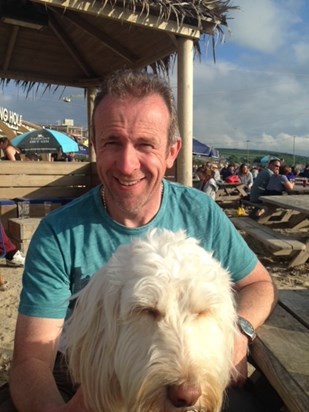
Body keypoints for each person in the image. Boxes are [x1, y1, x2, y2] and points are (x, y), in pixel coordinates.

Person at [2, 70, 276, 412]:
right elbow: (31, 360)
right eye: (113, 142)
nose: (128, 165)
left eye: (145, 144)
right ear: (96, 146)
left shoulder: (200, 212)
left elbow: (259, 283)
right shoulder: (58, 234)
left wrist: (239, 331)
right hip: (85, 376)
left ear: (172, 152)